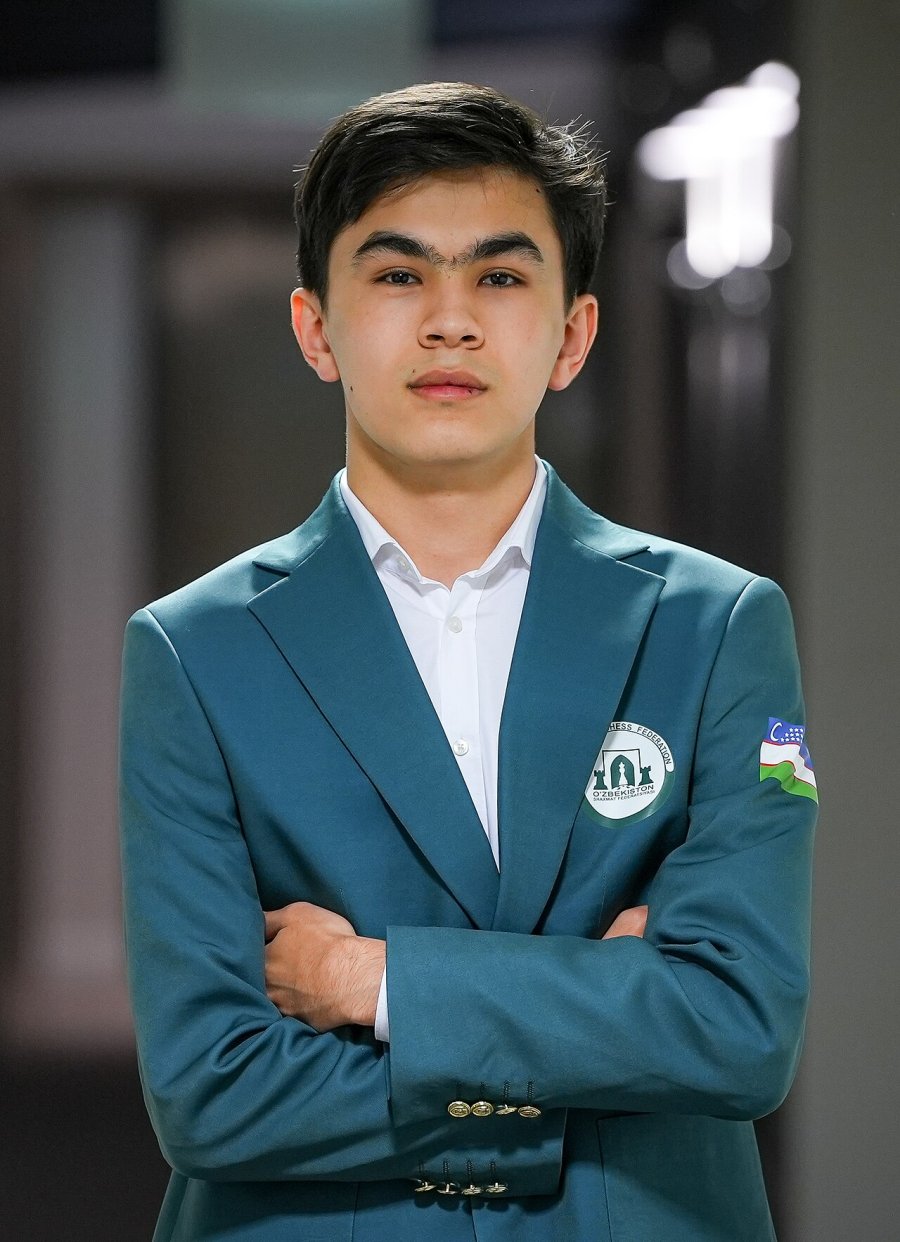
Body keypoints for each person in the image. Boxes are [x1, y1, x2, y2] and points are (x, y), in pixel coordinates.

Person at [119, 82, 817, 1242]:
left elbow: (738, 1028)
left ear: (573, 335)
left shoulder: (717, 626)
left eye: (499, 277)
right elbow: (213, 1091)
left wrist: (373, 983)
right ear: (315, 328)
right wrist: (599, 1036)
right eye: (399, 275)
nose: (451, 322)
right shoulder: (193, 650)